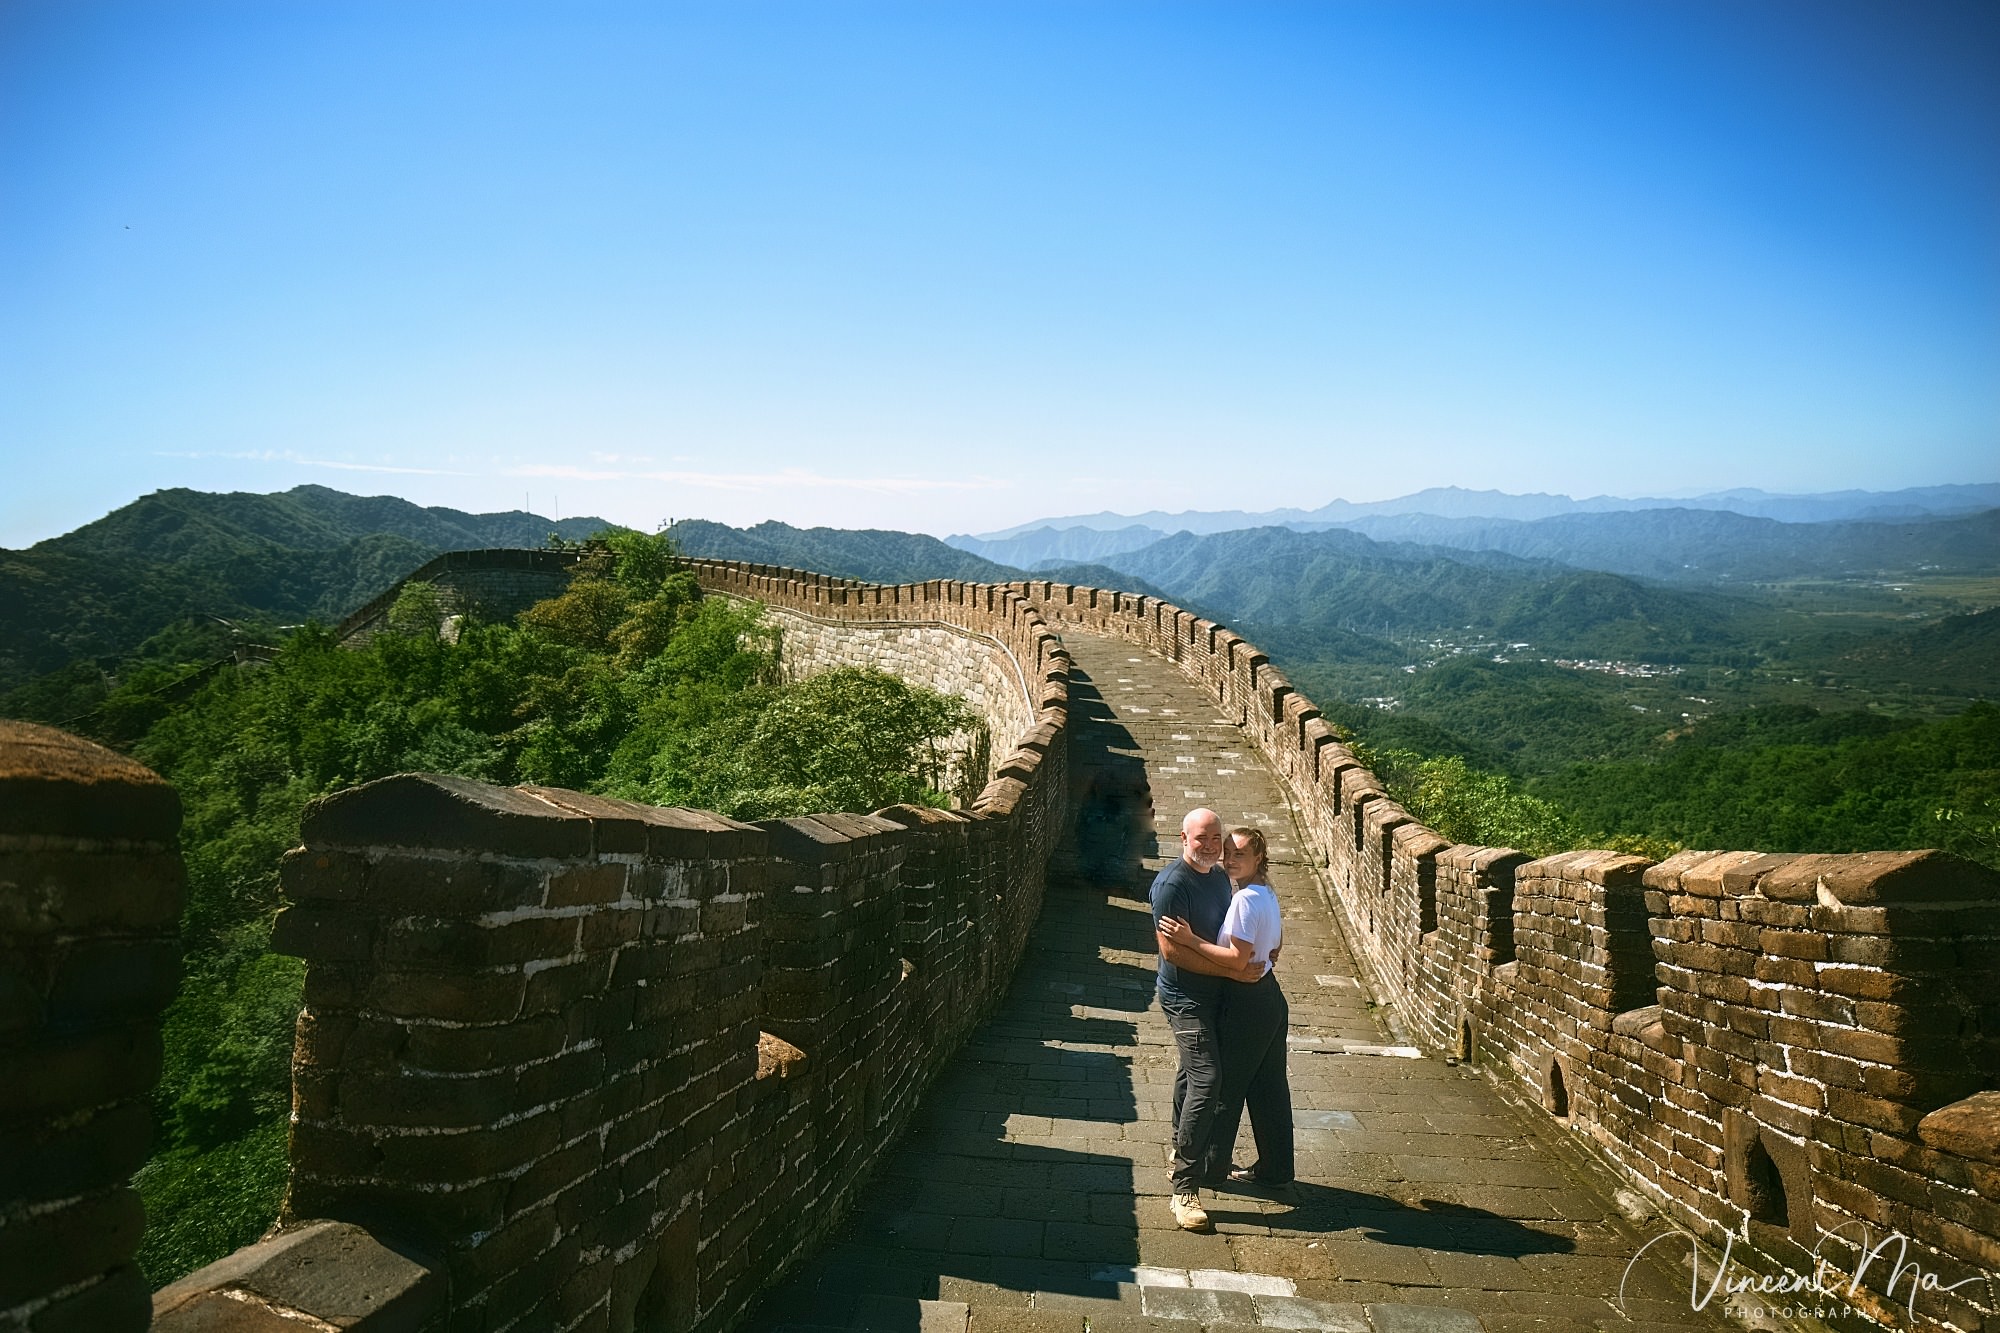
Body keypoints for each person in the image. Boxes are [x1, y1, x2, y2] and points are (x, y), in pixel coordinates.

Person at [1160, 826, 1294, 1189]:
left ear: (1258, 859)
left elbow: (1236, 961)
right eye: (1229, 852)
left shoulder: (1245, 900)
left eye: (1240, 854)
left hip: (1247, 1003)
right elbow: (1277, 944)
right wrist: (1263, 955)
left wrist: (1190, 939)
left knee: (1226, 1089)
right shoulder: (1266, 893)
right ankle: (1277, 1170)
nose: (1230, 860)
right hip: (1270, 998)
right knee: (1269, 1088)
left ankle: (1210, 1169)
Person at [1150, 808, 1257, 1230]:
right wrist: (1232, 970)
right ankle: (1184, 1190)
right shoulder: (1172, 885)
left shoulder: (1216, 876)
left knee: (1190, 1073)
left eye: (1216, 837)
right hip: (1183, 997)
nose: (1211, 845)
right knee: (1206, 1077)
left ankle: (1180, 1152)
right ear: (1183, 838)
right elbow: (1172, 951)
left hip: (1214, 995)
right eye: (1202, 838)